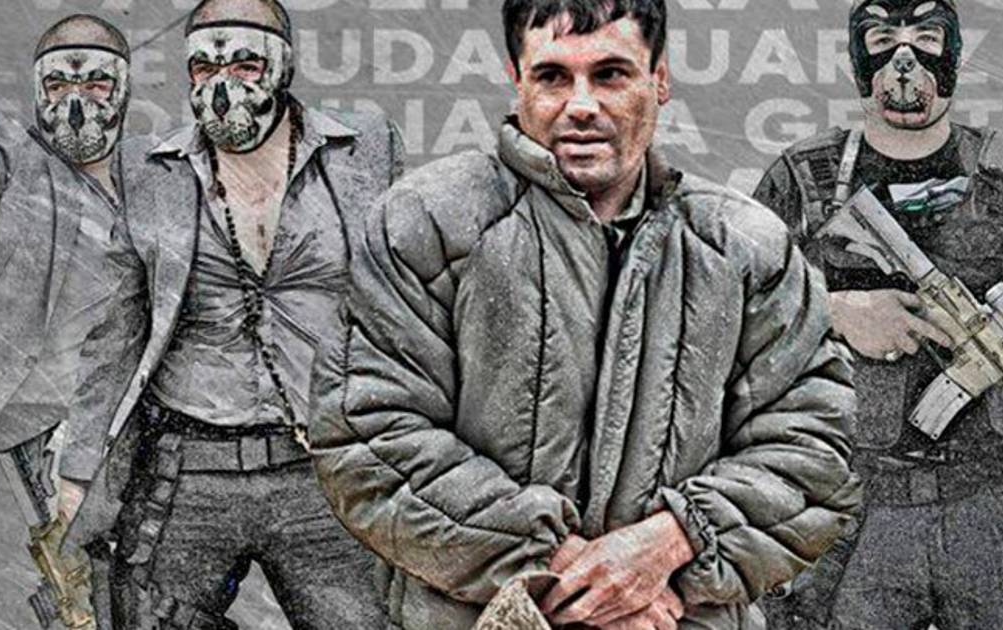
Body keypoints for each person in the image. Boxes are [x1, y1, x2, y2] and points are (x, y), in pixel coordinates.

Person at [308, 1, 861, 628]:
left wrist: (671, 542)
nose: (581, 105)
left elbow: (814, 450)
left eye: (610, 74)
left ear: (660, 79)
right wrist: (572, 572)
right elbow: (369, 433)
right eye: (552, 76)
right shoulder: (425, 221)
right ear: (517, 80)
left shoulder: (746, 246)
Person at [752, 1, 1003, 628]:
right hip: (849, 508)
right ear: (859, 64)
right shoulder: (803, 179)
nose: (904, 60)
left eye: (925, 38)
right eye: (882, 40)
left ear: (954, 58)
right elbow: (734, 318)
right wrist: (836, 310)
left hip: (995, 507)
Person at [55, 1, 404, 627]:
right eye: (204, 68)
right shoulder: (147, 168)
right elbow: (117, 332)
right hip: (188, 464)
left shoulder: (363, 150)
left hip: (325, 466)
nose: (222, 87)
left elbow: (406, 301)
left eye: (246, 65)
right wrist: (79, 470)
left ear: (284, 66)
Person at [0, 13, 135, 490]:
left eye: (96, 84)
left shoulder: (153, 188)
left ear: (123, 90)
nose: (76, 101)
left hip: (106, 432)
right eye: (57, 85)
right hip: (7, 423)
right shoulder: (16, 162)